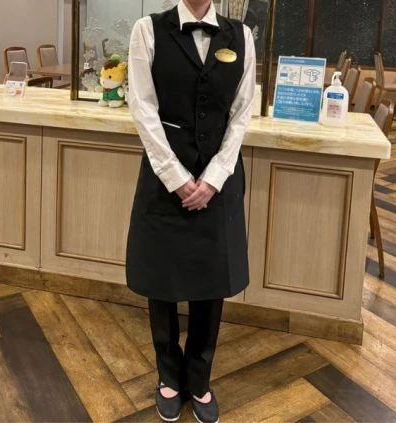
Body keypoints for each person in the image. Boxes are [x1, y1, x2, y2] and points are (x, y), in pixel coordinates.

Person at [125, 0, 255, 421]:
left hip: (220, 179)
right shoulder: (147, 30)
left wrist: (213, 178)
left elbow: (241, 113)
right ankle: (168, 374)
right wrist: (176, 177)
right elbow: (143, 108)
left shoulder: (242, 36)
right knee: (161, 280)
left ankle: (199, 378)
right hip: (165, 179)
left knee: (210, 281)